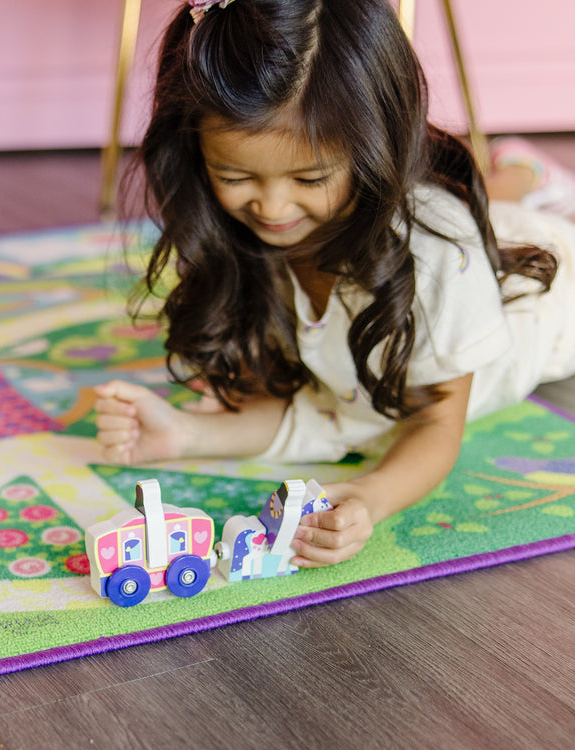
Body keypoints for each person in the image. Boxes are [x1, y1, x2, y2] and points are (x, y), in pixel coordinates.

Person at [94, 0, 575, 568]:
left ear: (374, 146)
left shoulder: (442, 255)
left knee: (508, 223)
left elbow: (434, 425)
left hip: (549, 299)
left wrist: (373, 495)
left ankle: (526, 175)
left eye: (309, 177)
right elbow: (328, 411)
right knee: (484, 210)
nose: (272, 207)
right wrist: (182, 435)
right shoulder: (242, 229)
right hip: (435, 240)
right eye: (235, 175)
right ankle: (515, 179)